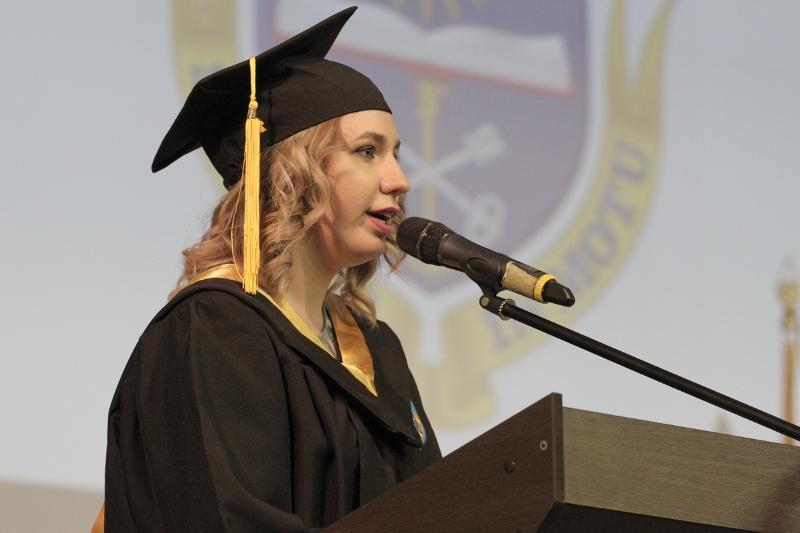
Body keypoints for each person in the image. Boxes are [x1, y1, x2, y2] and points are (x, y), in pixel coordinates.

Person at [96, 7, 441, 532]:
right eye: (367, 151)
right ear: (291, 174)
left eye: (395, 153)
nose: (399, 179)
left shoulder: (377, 349)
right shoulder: (216, 329)